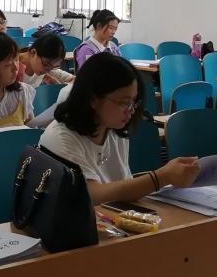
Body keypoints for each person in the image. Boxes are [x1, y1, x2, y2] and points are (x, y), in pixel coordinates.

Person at [39, 54, 199, 204]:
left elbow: (123, 187)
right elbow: (93, 196)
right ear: (93, 99)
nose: (131, 110)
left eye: (134, 102)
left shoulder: (114, 129)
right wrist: (161, 177)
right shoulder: (60, 137)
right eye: (124, 102)